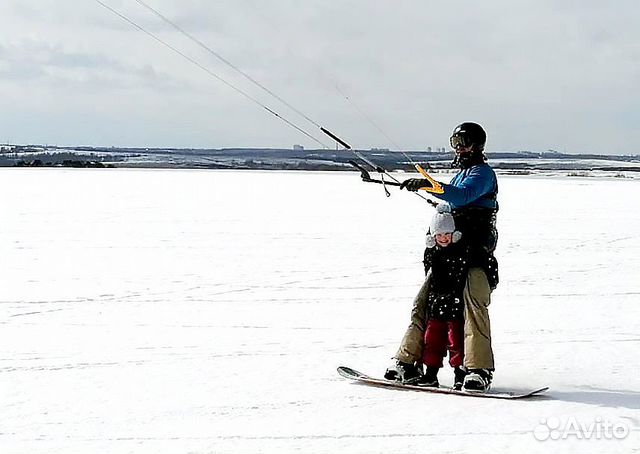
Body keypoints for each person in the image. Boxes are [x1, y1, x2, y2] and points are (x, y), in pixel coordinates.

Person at [385, 121, 499, 392]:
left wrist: (429, 184)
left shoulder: (482, 174)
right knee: (423, 304)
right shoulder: (463, 174)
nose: (459, 148)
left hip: (474, 256)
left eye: (464, 143)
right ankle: (407, 362)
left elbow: (463, 196)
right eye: (455, 143)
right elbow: (451, 202)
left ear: (477, 145)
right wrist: (435, 197)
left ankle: (478, 369)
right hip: (447, 256)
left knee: (473, 308)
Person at [415, 203, 469, 390]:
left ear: (453, 234)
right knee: (432, 340)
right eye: (439, 235)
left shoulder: (460, 251)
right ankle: (431, 374)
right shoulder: (432, 253)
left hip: (455, 305)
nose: (443, 238)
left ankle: (460, 375)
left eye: (447, 234)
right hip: (436, 304)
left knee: (456, 341)